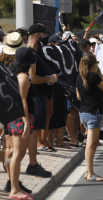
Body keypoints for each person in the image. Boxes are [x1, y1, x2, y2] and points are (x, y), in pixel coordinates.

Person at [5, 48, 37, 200]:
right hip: (20, 118)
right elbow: (22, 100)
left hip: (13, 116)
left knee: (14, 154)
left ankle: (14, 186)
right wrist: (26, 123)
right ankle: (14, 190)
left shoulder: (12, 74)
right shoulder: (23, 77)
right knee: (17, 155)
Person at [27, 24, 57, 177]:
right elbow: (33, 78)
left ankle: (31, 164)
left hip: (35, 96)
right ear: (38, 35)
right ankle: (32, 164)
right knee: (32, 132)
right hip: (34, 96)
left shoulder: (32, 52)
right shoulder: (30, 53)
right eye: (44, 35)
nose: (45, 38)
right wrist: (49, 78)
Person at [76, 54, 103, 182]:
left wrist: (97, 94)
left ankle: (87, 171)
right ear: (94, 64)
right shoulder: (94, 76)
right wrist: (101, 74)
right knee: (91, 144)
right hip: (93, 112)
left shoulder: (79, 77)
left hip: (83, 112)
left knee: (92, 143)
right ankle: (90, 173)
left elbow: (79, 96)